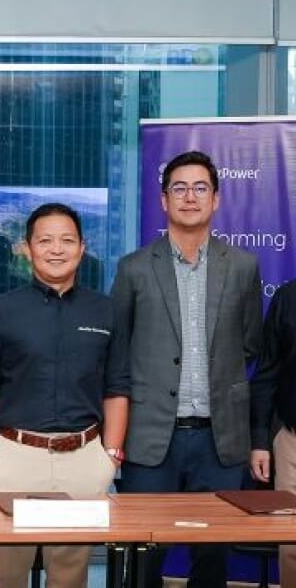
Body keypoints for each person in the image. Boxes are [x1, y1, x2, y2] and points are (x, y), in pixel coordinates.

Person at [111, 150, 263, 587]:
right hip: (151, 439)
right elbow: (119, 353)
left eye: (201, 188)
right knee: (144, 559)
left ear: (216, 199)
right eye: (179, 188)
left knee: (212, 561)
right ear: (164, 201)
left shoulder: (243, 267)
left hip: (220, 440)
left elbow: (250, 344)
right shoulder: (134, 269)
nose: (190, 197)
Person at [0, 203, 129, 588]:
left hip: (84, 460)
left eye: (66, 240)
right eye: (45, 241)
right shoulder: (1, 311)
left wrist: (109, 457)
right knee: (7, 574)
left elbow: (117, 389)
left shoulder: (106, 311)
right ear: (27, 248)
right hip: (14, 457)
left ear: (82, 247)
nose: (56, 249)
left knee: (70, 575)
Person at [250, 279, 296, 585]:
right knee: (291, 544)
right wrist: (261, 442)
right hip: (292, 440)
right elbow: (266, 373)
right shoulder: (288, 297)